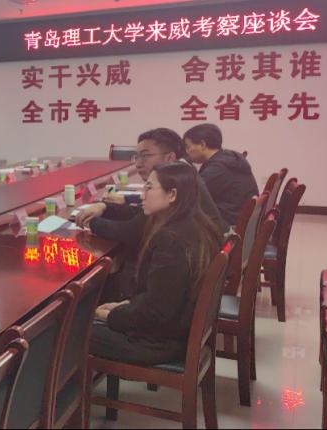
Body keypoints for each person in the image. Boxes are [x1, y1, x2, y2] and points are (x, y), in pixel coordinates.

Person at [90, 162, 223, 366]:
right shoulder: (199, 224)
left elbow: (156, 311)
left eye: (149, 187)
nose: (142, 195)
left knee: (71, 333)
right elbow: (163, 297)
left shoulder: (171, 241)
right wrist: (126, 305)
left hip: (159, 343)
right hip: (175, 331)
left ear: (172, 195)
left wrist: (112, 316)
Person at [76, 128, 223, 301]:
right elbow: (140, 213)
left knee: (96, 285)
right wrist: (104, 206)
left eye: (145, 156)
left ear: (170, 157)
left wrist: (91, 221)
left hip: (165, 300)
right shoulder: (182, 175)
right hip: (181, 292)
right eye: (136, 157)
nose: (138, 164)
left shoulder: (179, 188)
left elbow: (132, 232)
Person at [183, 123, 259, 226]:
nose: (187, 152)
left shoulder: (218, 169)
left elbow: (190, 196)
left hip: (229, 226)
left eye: (188, 147)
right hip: (237, 221)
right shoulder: (228, 158)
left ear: (202, 144)